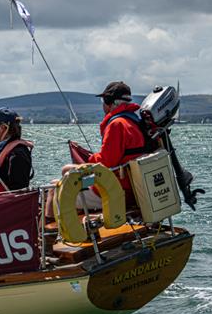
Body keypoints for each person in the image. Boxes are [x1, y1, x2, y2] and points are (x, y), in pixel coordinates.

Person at [48, 81, 151, 214]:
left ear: (109, 102)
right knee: (67, 172)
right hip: (133, 187)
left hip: (115, 189)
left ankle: (50, 232)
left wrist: (90, 158)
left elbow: (107, 163)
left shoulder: (117, 124)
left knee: (53, 189)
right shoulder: (135, 121)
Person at [0, 107, 34, 194]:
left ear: (3, 127)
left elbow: (18, 189)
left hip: (6, 205)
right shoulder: (7, 148)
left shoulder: (17, 153)